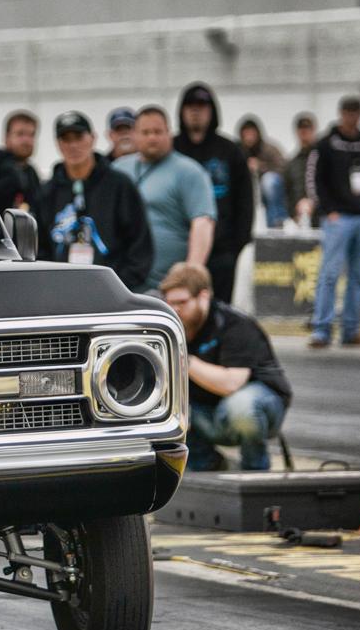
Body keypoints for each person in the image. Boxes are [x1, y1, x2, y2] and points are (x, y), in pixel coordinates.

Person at [161, 262, 291, 471]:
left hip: (262, 406)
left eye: (182, 302)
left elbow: (231, 383)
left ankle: (256, 471)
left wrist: (184, 359)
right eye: (170, 303)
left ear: (203, 296)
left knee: (242, 406)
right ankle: (207, 468)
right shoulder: (171, 327)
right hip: (208, 411)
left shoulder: (235, 324)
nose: (175, 309)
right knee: (167, 408)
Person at [37, 110, 153, 290]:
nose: (73, 145)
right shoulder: (47, 193)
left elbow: (139, 243)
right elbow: (40, 247)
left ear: (92, 138)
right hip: (61, 293)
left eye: (78, 137)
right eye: (66, 139)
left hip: (114, 292)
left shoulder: (119, 185)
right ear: (58, 144)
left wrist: (121, 287)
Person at [305, 95, 360, 349]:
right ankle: (321, 328)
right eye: (347, 112)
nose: (351, 117)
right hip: (337, 218)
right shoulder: (327, 144)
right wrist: (328, 211)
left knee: (358, 276)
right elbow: (314, 179)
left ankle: (351, 329)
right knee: (329, 274)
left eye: (356, 112)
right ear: (341, 113)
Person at [114, 105, 217, 291]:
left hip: (168, 285)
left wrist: (191, 275)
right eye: (145, 132)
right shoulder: (119, 170)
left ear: (169, 133)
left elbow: (202, 222)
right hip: (121, 281)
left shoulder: (189, 171)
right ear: (135, 135)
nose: (152, 137)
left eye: (158, 131)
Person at [174, 82, 254, 303]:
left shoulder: (230, 150)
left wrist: (238, 244)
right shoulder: (172, 149)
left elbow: (245, 200)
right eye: (190, 106)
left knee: (218, 308)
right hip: (180, 249)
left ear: (212, 111)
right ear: (181, 111)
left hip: (222, 249)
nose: (196, 111)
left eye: (202, 105)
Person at [237, 116, 288, 228]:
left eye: (252, 133)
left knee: (269, 181)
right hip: (248, 194)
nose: (249, 137)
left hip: (269, 195)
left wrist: (260, 167)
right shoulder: (237, 151)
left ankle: (276, 222)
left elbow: (283, 169)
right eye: (246, 134)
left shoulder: (269, 149)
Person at [283, 113, 318, 228]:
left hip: (323, 215)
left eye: (307, 129)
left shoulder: (324, 159)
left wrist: (313, 203)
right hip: (298, 217)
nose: (304, 133)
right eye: (301, 129)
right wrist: (294, 212)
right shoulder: (292, 163)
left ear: (313, 130)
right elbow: (287, 192)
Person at [3, 109, 41, 213]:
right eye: (20, 134)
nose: (26, 140)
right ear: (6, 138)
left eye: (31, 135)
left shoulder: (31, 172)